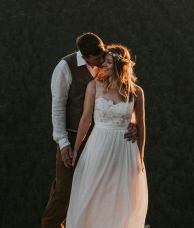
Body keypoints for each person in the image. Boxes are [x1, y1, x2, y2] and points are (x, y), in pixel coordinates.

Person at [42, 33, 137, 228]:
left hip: (101, 139)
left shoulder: (108, 63)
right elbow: (58, 106)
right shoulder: (64, 68)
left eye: (104, 56)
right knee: (64, 190)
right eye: (98, 59)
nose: (103, 61)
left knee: (93, 189)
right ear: (85, 57)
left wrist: (132, 122)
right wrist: (63, 142)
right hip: (72, 136)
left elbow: (124, 95)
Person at [66, 44, 148, 228]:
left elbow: (141, 125)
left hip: (125, 150)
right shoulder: (94, 86)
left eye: (109, 62)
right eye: (104, 60)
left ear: (120, 66)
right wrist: (77, 148)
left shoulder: (136, 92)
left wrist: (140, 158)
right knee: (95, 192)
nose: (103, 64)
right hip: (99, 145)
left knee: (119, 196)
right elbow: (86, 119)